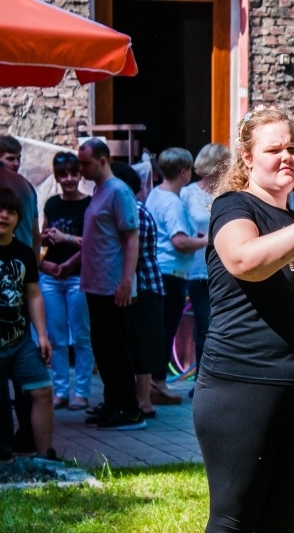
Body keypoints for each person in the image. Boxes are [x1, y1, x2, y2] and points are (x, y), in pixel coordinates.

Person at [192, 105, 294, 532]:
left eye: (292, 147)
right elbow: (245, 262)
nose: (286, 156)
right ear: (247, 158)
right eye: (273, 149)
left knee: (281, 520)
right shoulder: (233, 207)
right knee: (235, 520)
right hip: (241, 389)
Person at [77, 138, 145, 431]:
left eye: (85, 163)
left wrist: (125, 282)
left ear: (103, 160)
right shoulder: (98, 191)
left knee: (116, 349)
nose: (81, 169)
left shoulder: (119, 191)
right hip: (95, 284)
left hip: (113, 286)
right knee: (103, 348)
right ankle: (113, 402)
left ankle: (130, 411)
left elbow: (131, 238)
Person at [0, 187, 56, 459]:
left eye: (11, 212)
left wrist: (42, 335)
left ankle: (44, 457)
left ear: (19, 219)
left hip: (19, 341)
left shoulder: (24, 253)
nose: (4, 216)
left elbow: (33, 294)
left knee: (42, 390)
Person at [145, 148, 207, 405]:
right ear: (183, 172)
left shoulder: (154, 195)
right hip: (172, 271)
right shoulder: (173, 203)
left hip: (158, 269)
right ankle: (157, 383)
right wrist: (207, 241)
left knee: (159, 328)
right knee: (166, 328)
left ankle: (153, 381)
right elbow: (180, 242)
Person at [0, 132, 40, 458]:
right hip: (23, 278)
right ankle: (28, 438)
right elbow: (36, 235)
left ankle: (5, 443)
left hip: (13, 280)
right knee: (27, 378)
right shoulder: (22, 183)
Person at [39, 152, 94, 411]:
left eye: (74, 173)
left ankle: (81, 391)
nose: (69, 179)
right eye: (64, 174)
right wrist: (45, 239)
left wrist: (66, 243)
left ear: (80, 173)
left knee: (82, 336)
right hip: (51, 277)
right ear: (57, 176)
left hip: (78, 277)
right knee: (56, 337)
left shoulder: (89, 204)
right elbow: (42, 238)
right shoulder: (51, 203)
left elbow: (93, 243)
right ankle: (61, 391)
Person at [112, 162, 165, 419]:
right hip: (140, 285)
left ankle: (144, 401)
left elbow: (125, 250)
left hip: (143, 286)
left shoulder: (135, 211)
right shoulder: (134, 208)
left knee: (141, 343)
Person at [181, 143, 228, 395]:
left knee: (223, 326)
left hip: (226, 268)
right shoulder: (188, 193)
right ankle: (202, 379)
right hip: (199, 269)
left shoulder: (229, 192)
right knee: (204, 326)